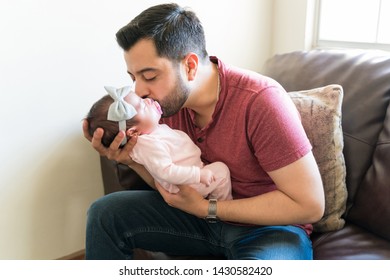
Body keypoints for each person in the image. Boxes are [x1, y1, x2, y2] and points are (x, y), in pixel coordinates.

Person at [83, 3, 325, 260]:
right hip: (196, 217)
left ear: (189, 66)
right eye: (133, 77)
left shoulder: (261, 101)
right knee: (104, 214)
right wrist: (133, 160)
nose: (139, 91)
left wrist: (208, 209)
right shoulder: (162, 107)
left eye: (150, 76)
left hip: (268, 229)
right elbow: (171, 182)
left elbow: (310, 205)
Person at [85, 85, 232, 200]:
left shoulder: (152, 130)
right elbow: (165, 171)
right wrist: (198, 174)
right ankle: (223, 211)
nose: (148, 100)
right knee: (222, 171)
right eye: (143, 106)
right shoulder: (148, 143)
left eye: (142, 99)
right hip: (185, 184)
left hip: (189, 177)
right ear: (134, 132)